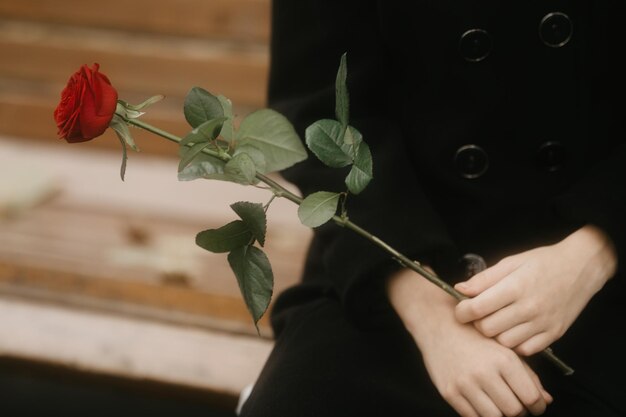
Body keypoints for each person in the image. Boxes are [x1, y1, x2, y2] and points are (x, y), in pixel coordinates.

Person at [239, 1, 626, 416]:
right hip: (392, 257)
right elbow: (319, 107)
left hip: (604, 264)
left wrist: (591, 256)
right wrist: (431, 316)